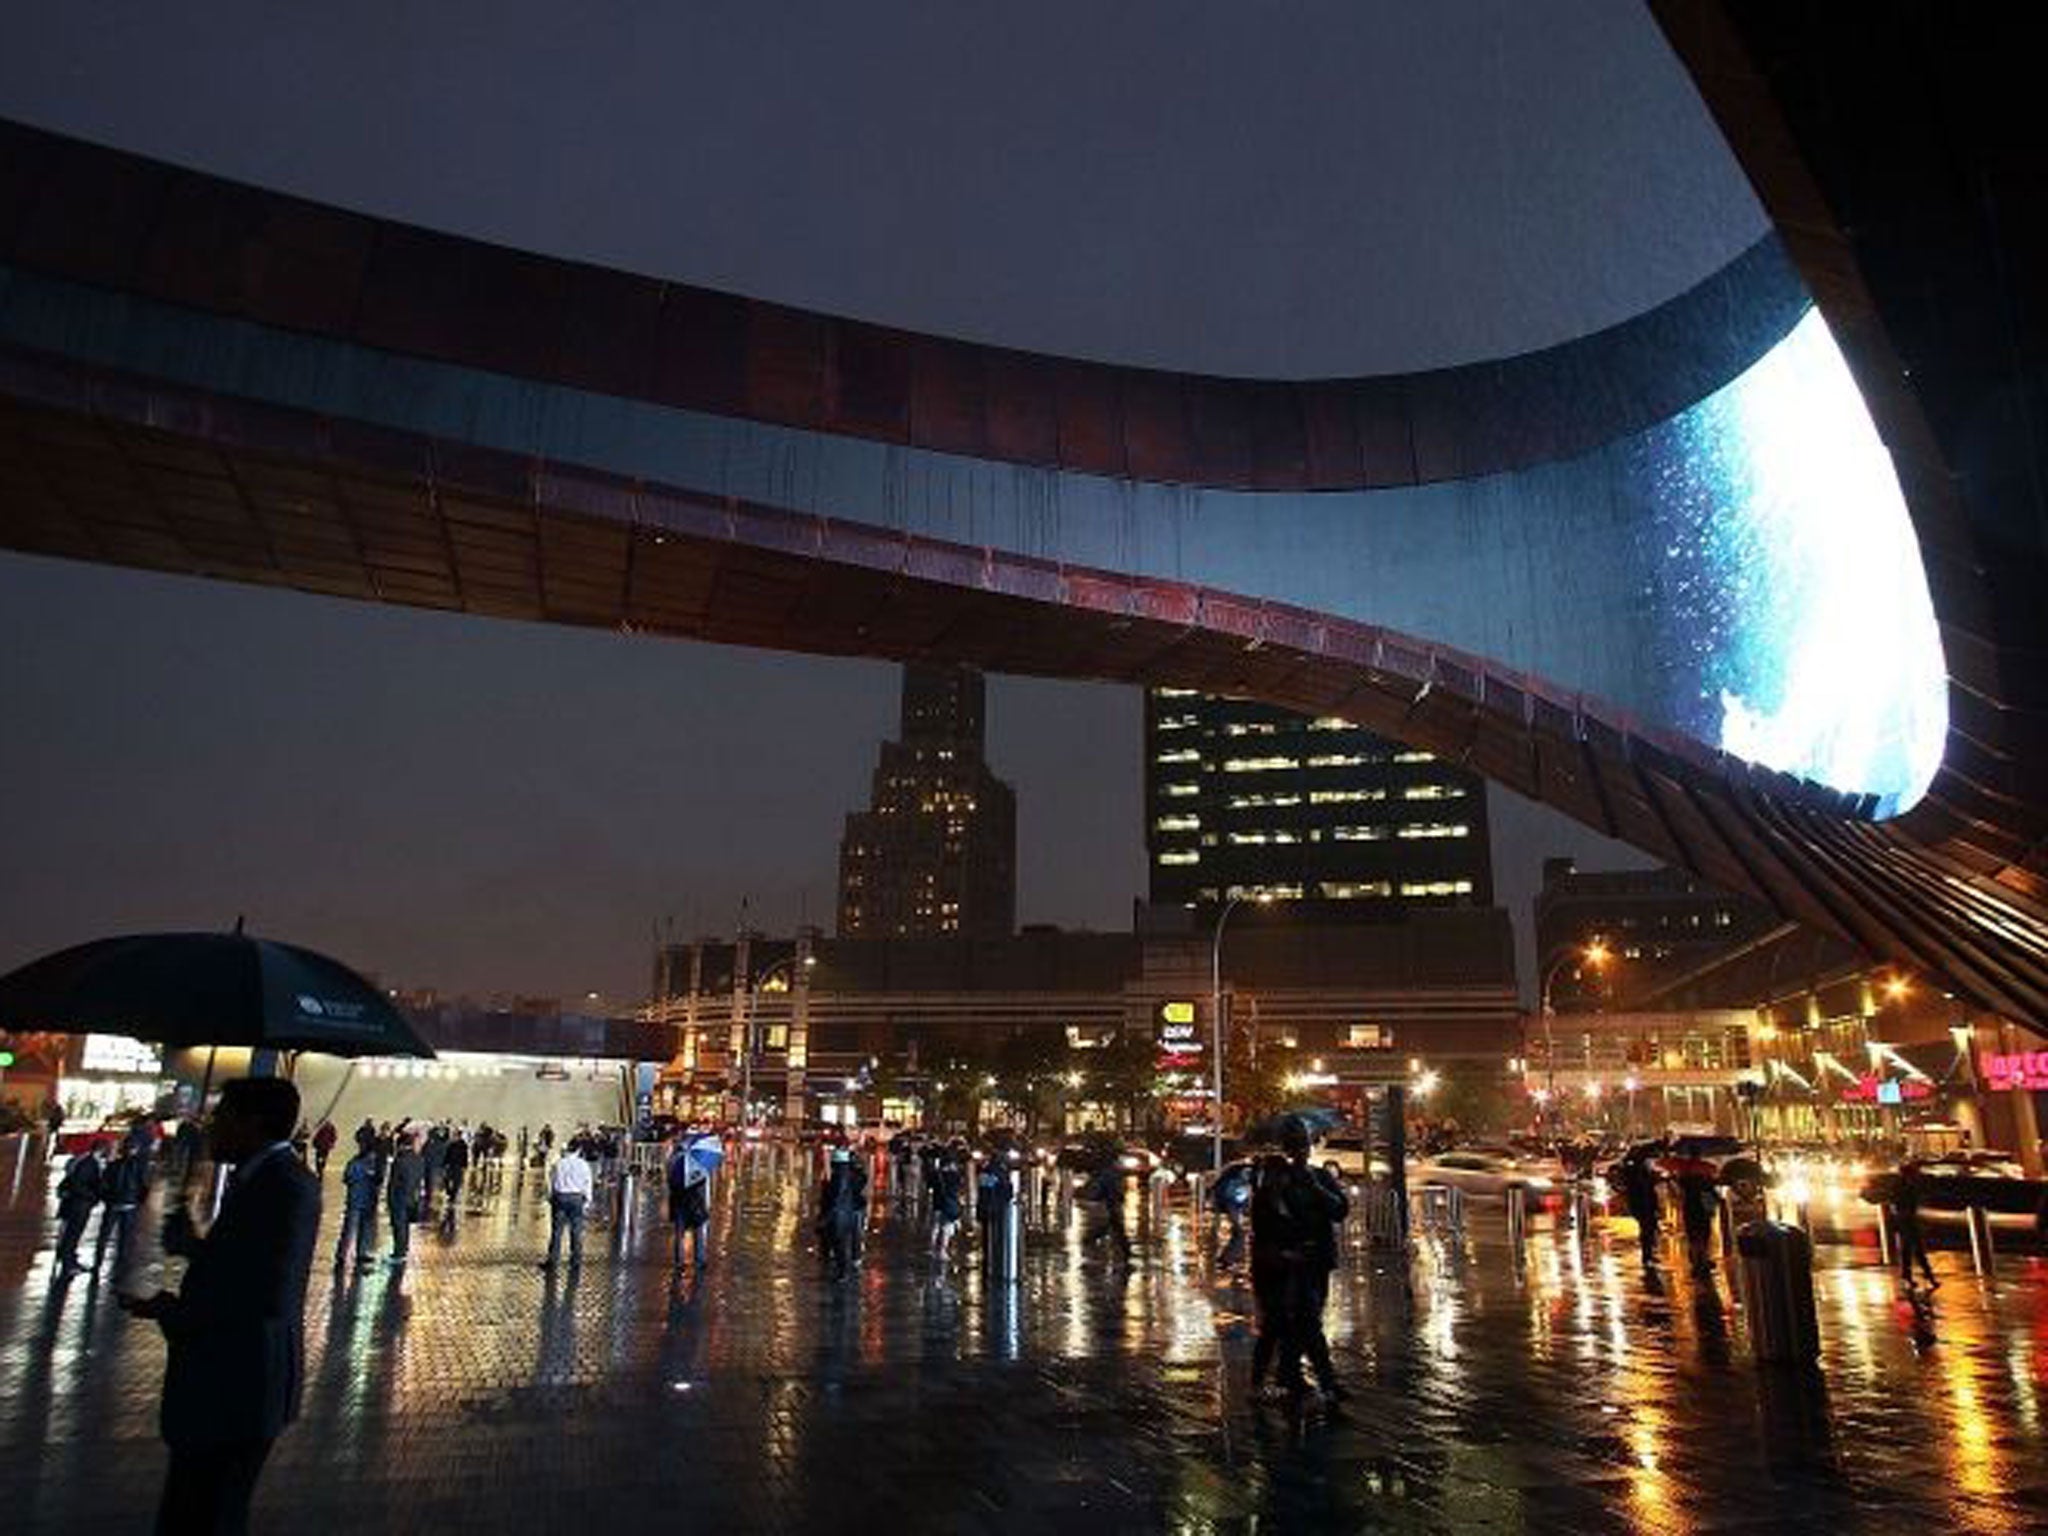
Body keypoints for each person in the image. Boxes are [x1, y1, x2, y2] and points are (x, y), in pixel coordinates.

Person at [119, 1076, 320, 1536]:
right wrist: (195, 1247)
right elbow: (246, 1266)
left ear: (253, 1123)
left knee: (207, 1518)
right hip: (224, 1388)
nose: (212, 1125)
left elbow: (269, 1295)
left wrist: (174, 1312)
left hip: (240, 1388)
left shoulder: (287, 1186)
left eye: (222, 1115)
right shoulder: (258, 1179)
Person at [1249, 1117, 1350, 1403]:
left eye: (1304, 1145)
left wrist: (1316, 1189)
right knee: (1286, 1323)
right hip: (1285, 1264)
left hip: (1315, 1260)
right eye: (1295, 1146)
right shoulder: (1275, 1182)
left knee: (1307, 1320)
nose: (1301, 1152)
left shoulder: (1318, 1177)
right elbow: (1266, 1225)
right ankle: (1313, 1380)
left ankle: (1294, 1376)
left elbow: (1340, 1210)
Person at [96, 1138, 150, 1279]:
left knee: (116, 1237)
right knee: (119, 1237)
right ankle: (115, 1266)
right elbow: (143, 1187)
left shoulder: (123, 1166)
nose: (130, 1151)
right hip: (122, 1204)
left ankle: (111, 1265)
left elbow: (143, 1188)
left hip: (121, 1204)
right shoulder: (134, 1167)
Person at [54, 1140, 108, 1276]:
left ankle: (70, 1260)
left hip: (80, 1204)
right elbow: (79, 1185)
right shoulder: (89, 1164)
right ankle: (68, 1264)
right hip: (79, 1205)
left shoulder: (88, 1162)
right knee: (72, 1234)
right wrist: (92, 1196)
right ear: (101, 1150)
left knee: (73, 1234)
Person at [541, 1137, 594, 1271]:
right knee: (576, 1231)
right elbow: (587, 1183)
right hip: (576, 1198)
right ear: (579, 1150)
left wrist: (550, 1196)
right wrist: (587, 1200)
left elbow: (552, 1181)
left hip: (560, 1197)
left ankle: (553, 1261)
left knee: (557, 1231)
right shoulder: (583, 1164)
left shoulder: (559, 1163)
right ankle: (575, 1261)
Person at [817, 1146, 867, 1280]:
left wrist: (826, 1217)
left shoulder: (839, 1177)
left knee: (840, 1243)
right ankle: (852, 1261)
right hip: (849, 1212)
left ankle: (843, 1272)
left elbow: (834, 1198)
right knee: (850, 1238)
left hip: (840, 1214)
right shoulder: (851, 1175)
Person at [666, 1137, 713, 1270]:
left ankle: (679, 1261)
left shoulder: (672, 1162)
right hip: (694, 1202)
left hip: (678, 1201)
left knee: (679, 1233)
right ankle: (699, 1259)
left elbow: (670, 1181)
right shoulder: (696, 1164)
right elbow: (701, 1183)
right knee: (698, 1231)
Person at [335, 1141, 382, 1271]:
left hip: (368, 1201)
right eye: (372, 1154)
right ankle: (342, 1254)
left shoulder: (374, 1164)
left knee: (364, 1229)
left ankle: (361, 1252)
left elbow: (379, 1180)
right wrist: (364, 1174)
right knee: (350, 1229)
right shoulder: (355, 1163)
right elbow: (347, 1178)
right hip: (356, 1201)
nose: (374, 1156)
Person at [1893, 1162, 1940, 1291]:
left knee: (1908, 1250)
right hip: (1906, 1221)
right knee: (1916, 1250)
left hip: (1907, 1221)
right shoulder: (1903, 1186)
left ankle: (1909, 1276)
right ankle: (1928, 1277)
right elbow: (1901, 1203)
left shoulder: (1906, 1185)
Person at [1617, 1151, 1664, 1271]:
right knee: (1647, 1228)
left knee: (1649, 1228)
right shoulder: (1635, 1172)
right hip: (1642, 1204)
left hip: (1645, 1203)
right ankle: (1647, 1255)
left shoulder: (1637, 1170)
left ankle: (1649, 1254)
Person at [385, 1133, 425, 1269]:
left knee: (399, 1226)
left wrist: (389, 1199)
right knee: (405, 1225)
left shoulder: (399, 1160)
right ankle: (404, 1250)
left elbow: (394, 1182)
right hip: (412, 1197)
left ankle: (399, 1253)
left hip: (399, 1197)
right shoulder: (419, 1159)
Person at [1084, 1155, 1131, 1264]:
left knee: (1114, 1224)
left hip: (1111, 1202)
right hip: (1112, 1202)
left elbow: (1103, 1189)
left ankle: (1092, 1238)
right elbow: (1113, 1188)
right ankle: (1125, 1249)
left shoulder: (1109, 1173)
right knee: (1116, 1225)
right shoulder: (1112, 1174)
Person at [1676, 1166, 1720, 1279]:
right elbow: (1714, 1195)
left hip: (1691, 1213)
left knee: (1694, 1239)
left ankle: (1697, 1263)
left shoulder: (1685, 1182)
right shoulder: (1705, 1183)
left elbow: (1680, 1191)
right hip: (1702, 1213)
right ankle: (1702, 1261)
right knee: (1703, 1238)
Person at [1210, 1161, 1252, 1270]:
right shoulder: (1235, 1182)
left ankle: (1232, 1256)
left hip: (1233, 1207)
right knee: (1239, 1233)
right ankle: (1229, 1257)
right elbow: (1234, 1198)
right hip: (1232, 1207)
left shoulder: (1231, 1181)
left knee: (1238, 1232)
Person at [929, 1148, 964, 1267]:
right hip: (948, 1204)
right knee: (946, 1228)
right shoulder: (954, 1176)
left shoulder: (936, 1174)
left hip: (937, 1203)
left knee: (936, 1226)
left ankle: (932, 1247)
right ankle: (942, 1250)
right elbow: (957, 1190)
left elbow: (930, 1186)